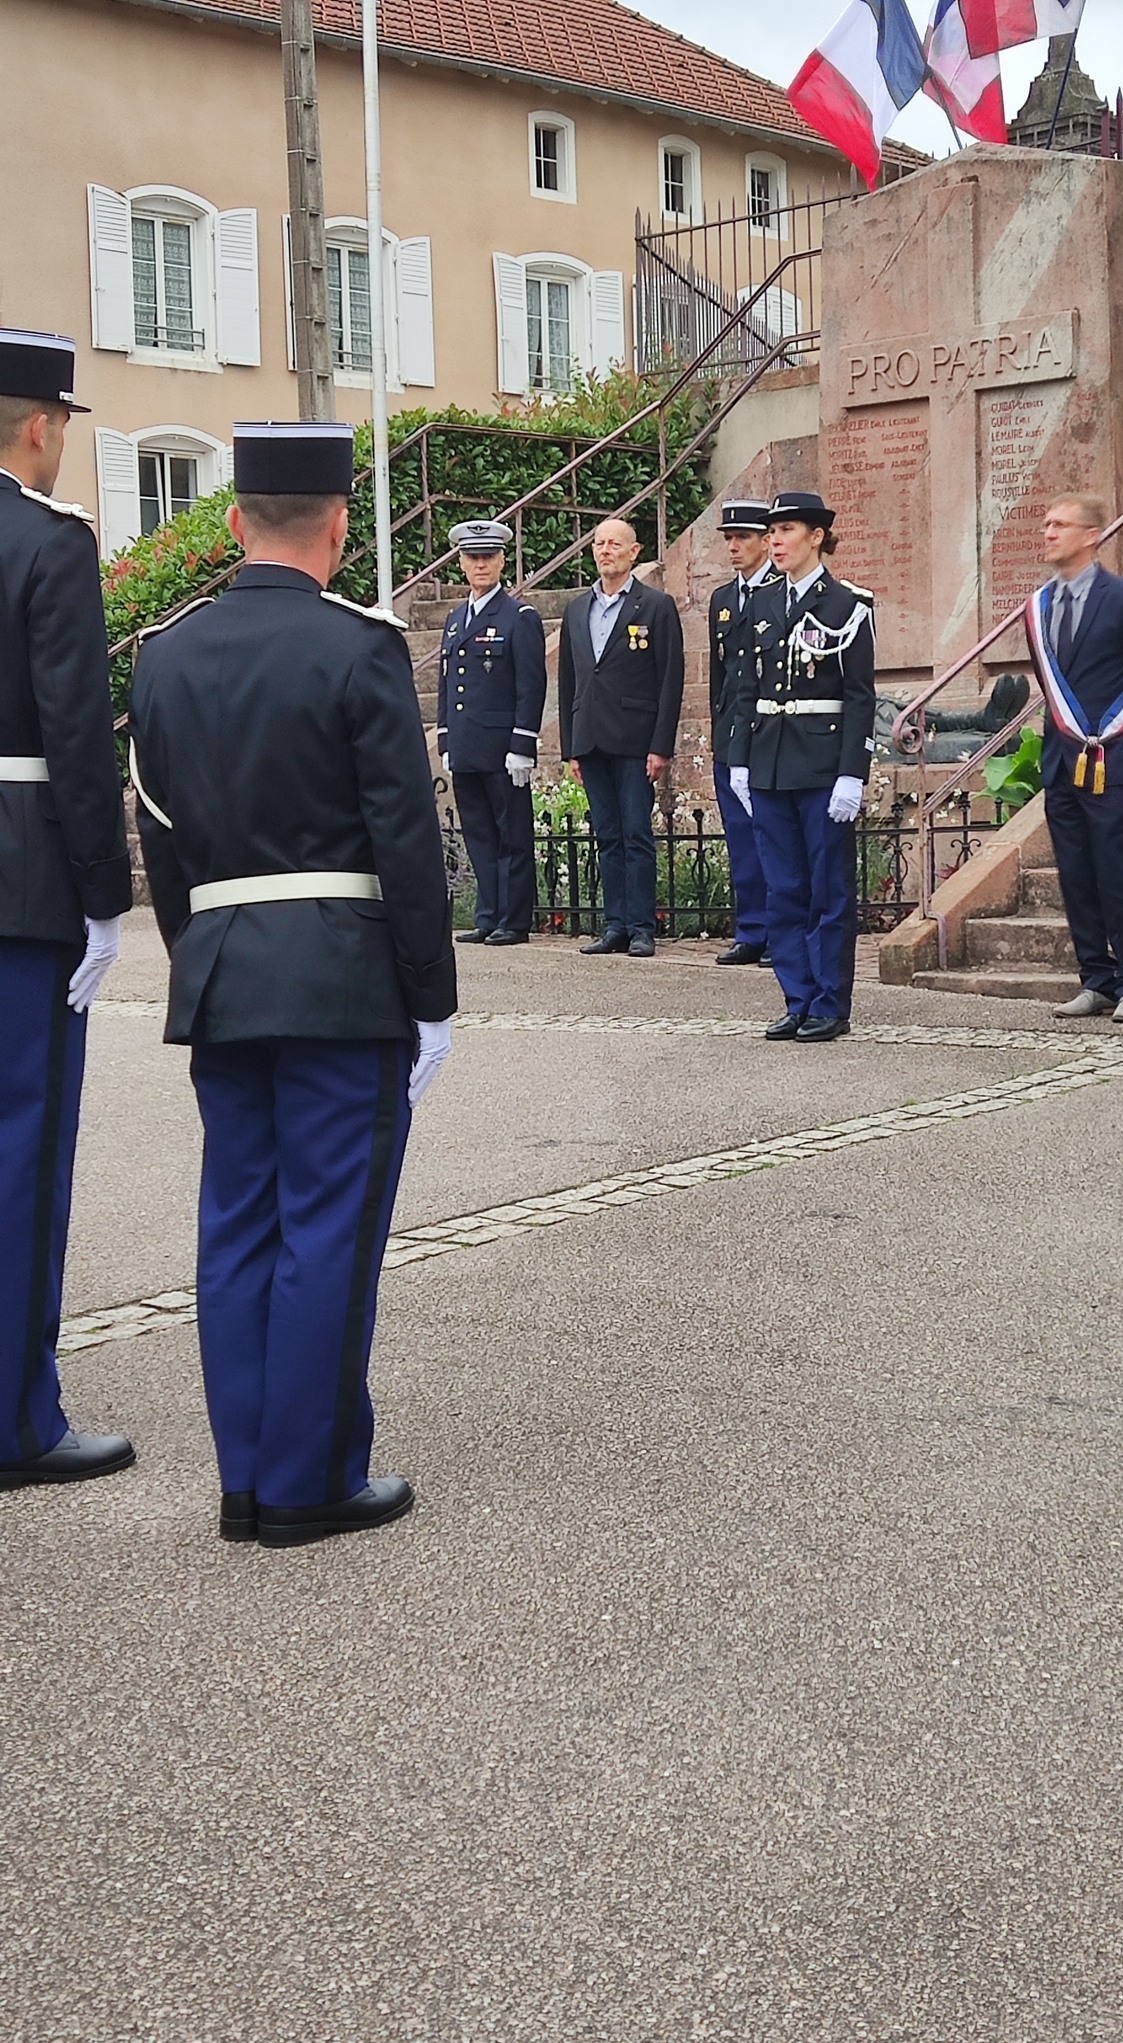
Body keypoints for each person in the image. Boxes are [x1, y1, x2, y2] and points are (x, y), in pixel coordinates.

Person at [130, 421, 457, 1549]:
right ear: (336, 526)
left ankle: (245, 1478)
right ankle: (308, 1482)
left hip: (223, 971)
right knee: (326, 1227)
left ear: (232, 524)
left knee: (237, 1224)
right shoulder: (359, 647)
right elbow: (405, 841)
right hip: (339, 977)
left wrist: (201, 955)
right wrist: (433, 997)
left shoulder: (164, 652)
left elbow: (160, 836)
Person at [0, 327, 135, 1492]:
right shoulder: (47, 542)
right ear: (39, 425)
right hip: (20, 879)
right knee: (22, 1145)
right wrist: (106, 898)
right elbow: (76, 737)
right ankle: (15, 1419)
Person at [729, 490, 875, 1043]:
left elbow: (859, 696)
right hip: (768, 764)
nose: (775, 540)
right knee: (782, 889)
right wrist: (740, 760)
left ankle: (830, 1002)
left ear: (816, 536)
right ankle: (797, 997)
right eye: (772, 531)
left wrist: (851, 773)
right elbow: (744, 691)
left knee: (827, 891)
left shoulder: (848, 606)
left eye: (786, 530)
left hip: (820, 766)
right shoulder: (761, 606)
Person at [1023, 494, 1123, 1025]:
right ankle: (1096, 979)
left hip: (1114, 759)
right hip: (1061, 759)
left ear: (1091, 535)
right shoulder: (1038, 606)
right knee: (1074, 873)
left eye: (1059, 524)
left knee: (1114, 871)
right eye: (1046, 524)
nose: (1048, 532)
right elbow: (1050, 684)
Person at [557, 518, 684, 959]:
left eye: (614, 544)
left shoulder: (655, 606)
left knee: (635, 833)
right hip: (590, 737)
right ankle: (615, 925)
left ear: (634, 553)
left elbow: (670, 679)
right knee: (606, 835)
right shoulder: (577, 609)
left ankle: (642, 927)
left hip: (634, 738)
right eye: (598, 543)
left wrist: (661, 744)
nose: (605, 550)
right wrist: (570, 744)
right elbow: (569, 680)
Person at [436, 519, 547, 947]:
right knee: (479, 834)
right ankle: (488, 914)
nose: (480, 564)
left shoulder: (519, 617)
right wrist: (446, 737)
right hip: (466, 745)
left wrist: (523, 745)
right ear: (462, 564)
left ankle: (514, 919)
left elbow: (529, 685)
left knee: (511, 834)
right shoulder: (454, 618)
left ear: (502, 561)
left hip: (503, 747)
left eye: (488, 557)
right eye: (472, 558)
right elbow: (449, 683)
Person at [709, 499, 782, 967]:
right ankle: (751, 928)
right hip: (730, 733)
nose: (734, 547)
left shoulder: (780, 591)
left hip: (771, 734)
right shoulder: (723, 599)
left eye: (743, 538)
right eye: (728, 539)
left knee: (773, 837)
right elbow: (722, 675)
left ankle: (781, 930)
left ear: (764, 540)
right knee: (740, 837)